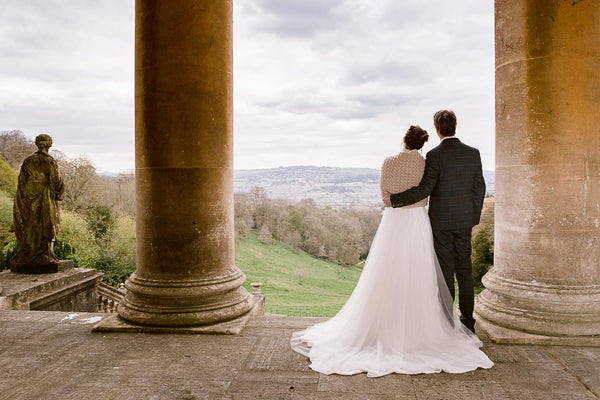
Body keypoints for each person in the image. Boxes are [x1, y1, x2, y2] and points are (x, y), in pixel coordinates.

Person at [291, 125, 493, 377]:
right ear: (422, 144)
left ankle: (383, 324)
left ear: (404, 140)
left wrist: (394, 201)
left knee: (387, 271)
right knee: (425, 272)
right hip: (419, 221)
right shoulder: (426, 162)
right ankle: (444, 324)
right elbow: (429, 190)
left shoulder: (390, 162)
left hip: (394, 221)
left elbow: (385, 192)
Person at [383, 110, 485, 333]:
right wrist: (473, 219)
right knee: (465, 271)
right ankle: (468, 322)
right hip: (465, 221)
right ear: (456, 125)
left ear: (437, 129)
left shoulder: (435, 156)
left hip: (441, 223)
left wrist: (394, 199)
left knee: (446, 270)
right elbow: (479, 189)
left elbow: (425, 189)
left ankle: (447, 321)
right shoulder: (473, 153)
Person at [12, 134, 65, 271]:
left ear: (37, 144)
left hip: (28, 200)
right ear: (50, 145)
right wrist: (59, 191)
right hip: (45, 198)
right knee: (47, 224)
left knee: (31, 224)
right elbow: (55, 181)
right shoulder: (49, 162)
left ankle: (29, 253)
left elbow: (22, 182)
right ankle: (45, 255)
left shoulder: (28, 161)